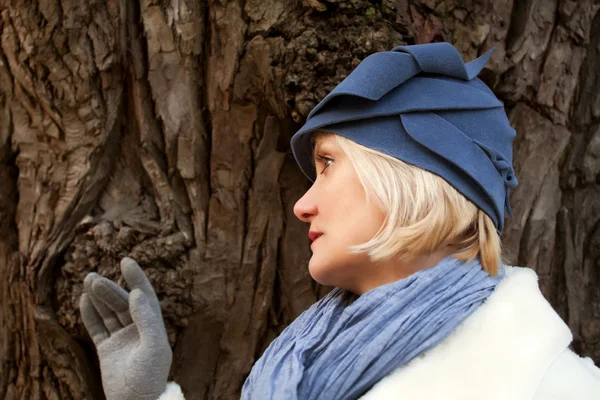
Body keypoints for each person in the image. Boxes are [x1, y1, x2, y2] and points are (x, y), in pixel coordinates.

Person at [79, 43, 600, 400]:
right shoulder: (306, 357)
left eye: (328, 163)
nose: (301, 206)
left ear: (412, 175)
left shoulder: (552, 386)